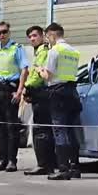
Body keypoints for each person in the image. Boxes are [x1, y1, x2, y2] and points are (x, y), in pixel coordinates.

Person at [40, 22, 82, 181]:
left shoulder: (54, 50)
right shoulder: (74, 51)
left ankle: (63, 168)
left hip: (57, 92)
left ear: (52, 35)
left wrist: (40, 71)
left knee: (60, 130)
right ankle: (75, 167)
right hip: (72, 92)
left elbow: (48, 76)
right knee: (72, 130)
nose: (47, 40)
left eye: (47, 37)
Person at [0, 21, 29, 172]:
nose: (2, 35)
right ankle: (3, 160)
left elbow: (24, 70)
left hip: (10, 88)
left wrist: (19, 91)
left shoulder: (16, 48)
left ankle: (12, 161)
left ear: (9, 33)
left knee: (12, 127)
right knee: (1, 126)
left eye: (4, 32)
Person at [23, 25, 56, 176]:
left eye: (35, 35)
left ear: (42, 35)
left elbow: (36, 76)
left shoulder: (43, 51)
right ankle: (48, 163)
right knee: (44, 129)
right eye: (30, 37)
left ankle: (43, 164)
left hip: (42, 93)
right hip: (44, 93)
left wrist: (26, 87)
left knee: (40, 130)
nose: (32, 39)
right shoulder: (41, 51)